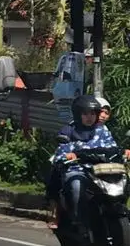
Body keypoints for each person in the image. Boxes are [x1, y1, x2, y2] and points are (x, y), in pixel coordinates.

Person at [48, 94, 130, 229]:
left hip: (101, 171)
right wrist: (70, 156)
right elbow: (61, 153)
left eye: (92, 113)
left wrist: (123, 152)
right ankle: (78, 219)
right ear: (78, 114)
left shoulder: (102, 131)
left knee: (124, 180)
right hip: (79, 170)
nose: (89, 117)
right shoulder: (68, 131)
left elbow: (112, 147)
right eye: (85, 114)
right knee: (76, 185)